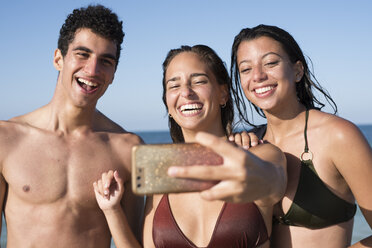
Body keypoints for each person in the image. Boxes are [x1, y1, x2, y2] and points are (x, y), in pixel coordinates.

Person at [94, 44, 287, 248]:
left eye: (199, 81)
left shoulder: (260, 154)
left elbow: (275, 182)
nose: (186, 92)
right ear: (168, 104)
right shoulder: (161, 171)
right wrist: (112, 210)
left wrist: (248, 166)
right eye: (174, 85)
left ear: (223, 94)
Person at [0, 5, 143, 248]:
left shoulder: (128, 149)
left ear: (114, 73)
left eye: (106, 61)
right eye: (83, 54)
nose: (93, 70)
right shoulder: (6, 139)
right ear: (58, 58)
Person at [228, 24, 372, 247]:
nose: (258, 76)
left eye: (270, 63)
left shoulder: (338, 136)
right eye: (246, 69)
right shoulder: (249, 143)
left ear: (297, 71)